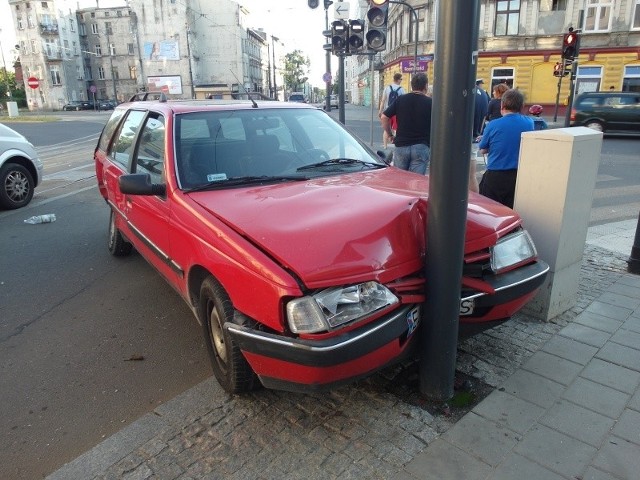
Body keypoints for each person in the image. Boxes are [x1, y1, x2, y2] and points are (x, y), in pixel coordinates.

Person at [477, 88, 534, 208]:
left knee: (490, 209)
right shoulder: (529, 122)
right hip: (518, 175)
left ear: (502, 105)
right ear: (521, 106)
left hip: (496, 175)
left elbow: (483, 149)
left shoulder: (493, 124)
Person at [380, 72, 432, 175]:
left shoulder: (401, 100)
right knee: (415, 181)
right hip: (421, 146)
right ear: (425, 86)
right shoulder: (430, 102)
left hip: (401, 145)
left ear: (412, 85)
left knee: (400, 180)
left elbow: (384, 117)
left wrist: (390, 134)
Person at [379, 73, 405, 148]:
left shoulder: (387, 88)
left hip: (387, 111)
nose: (401, 81)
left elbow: (383, 100)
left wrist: (380, 111)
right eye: (401, 79)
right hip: (397, 112)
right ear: (398, 80)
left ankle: (385, 145)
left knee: (386, 128)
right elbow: (403, 101)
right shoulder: (401, 89)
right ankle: (396, 144)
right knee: (396, 129)